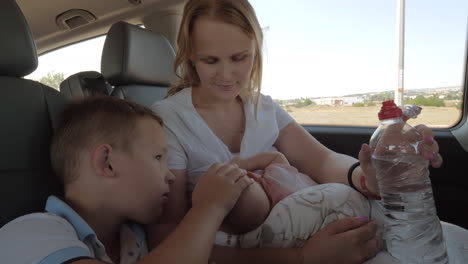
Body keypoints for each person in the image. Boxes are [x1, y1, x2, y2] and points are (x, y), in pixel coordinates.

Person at [148, 0, 446, 263]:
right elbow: (166, 237)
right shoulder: (169, 120)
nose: (226, 75)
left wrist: (368, 178)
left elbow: (323, 161)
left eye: (240, 58)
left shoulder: (262, 108)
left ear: (255, 52)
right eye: (210, 60)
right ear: (189, 56)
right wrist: (299, 258)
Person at [0, 95, 253, 264]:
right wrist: (209, 208)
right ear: (106, 163)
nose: (170, 175)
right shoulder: (33, 231)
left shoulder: (134, 239)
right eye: (158, 157)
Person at [223, 151, 372, 249]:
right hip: (338, 191)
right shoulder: (274, 175)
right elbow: (276, 156)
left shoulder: (279, 226)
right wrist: (243, 163)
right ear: (252, 176)